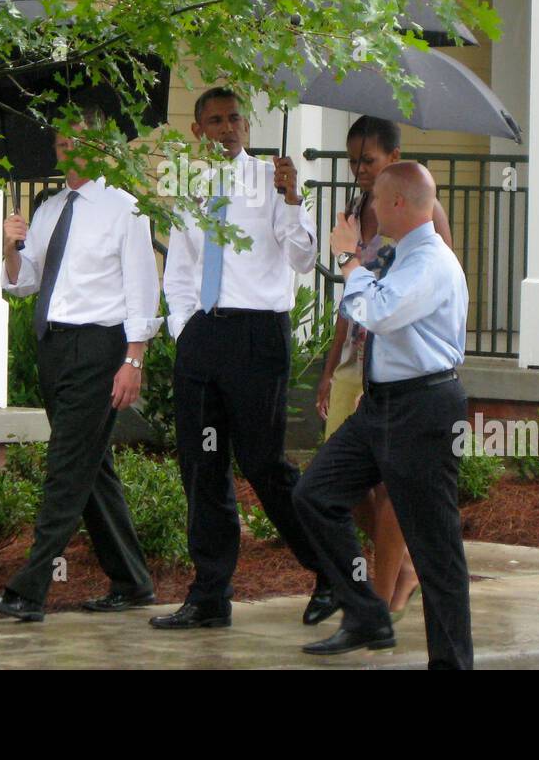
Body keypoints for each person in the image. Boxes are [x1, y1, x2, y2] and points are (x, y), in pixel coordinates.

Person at [152, 87, 336, 630]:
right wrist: (186, 331)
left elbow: (303, 260)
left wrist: (293, 199)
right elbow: (181, 270)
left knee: (263, 464)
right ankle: (210, 595)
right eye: (215, 120)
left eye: (236, 119)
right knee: (202, 466)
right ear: (197, 130)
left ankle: (331, 570)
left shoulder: (273, 181)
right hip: (204, 336)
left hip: (258, 339)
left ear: (248, 126)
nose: (228, 128)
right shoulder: (188, 189)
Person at [0, 109, 161, 622]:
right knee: (91, 470)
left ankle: (29, 590)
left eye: (77, 139)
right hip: (54, 350)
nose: (66, 148)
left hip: (99, 352)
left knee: (64, 467)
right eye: (60, 141)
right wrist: (11, 249)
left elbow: (142, 289)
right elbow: (24, 282)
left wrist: (133, 361)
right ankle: (132, 581)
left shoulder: (125, 208)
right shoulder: (48, 209)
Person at [293, 161, 473, 667]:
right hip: (381, 407)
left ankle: (453, 663)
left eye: (376, 198)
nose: (368, 207)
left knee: (435, 548)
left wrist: (350, 260)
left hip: (424, 410)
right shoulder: (400, 258)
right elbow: (373, 306)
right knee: (315, 495)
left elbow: (376, 312)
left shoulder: (430, 262)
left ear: (398, 203)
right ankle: (367, 613)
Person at [314, 116, 453, 622]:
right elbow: (348, 303)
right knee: (342, 485)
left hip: (401, 370)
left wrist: (353, 259)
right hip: (357, 358)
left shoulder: (424, 214)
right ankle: (401, 570)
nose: (357, 171)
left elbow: (425, 291)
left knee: (392, 485)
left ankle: (380, 592)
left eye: (367, 161)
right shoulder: (359, 212)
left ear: (394, 159)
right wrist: (330, 368)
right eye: (352, 161)